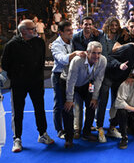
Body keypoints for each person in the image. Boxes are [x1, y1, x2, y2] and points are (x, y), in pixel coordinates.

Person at [2, 20, 54, 153]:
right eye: (32, 29)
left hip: (36, 82)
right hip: (18, 84)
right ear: (23, 31)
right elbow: (5, 64)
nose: (35, 31)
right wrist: (18, 74)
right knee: (17, 112)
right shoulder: (11, 45)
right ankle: (17, 138)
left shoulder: (40, 42)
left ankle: (43, 134)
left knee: (40, 109)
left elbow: (41, 60)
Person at [60, 41, 107, 148]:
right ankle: (69, 138)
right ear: (87, 52)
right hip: (68, 82)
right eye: (94, 53)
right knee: (68, 109)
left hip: (86, 84)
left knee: (92, 105)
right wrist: (69, 99)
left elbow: (99, 80)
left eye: (99, 53)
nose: (97, 56)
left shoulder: (103, 60)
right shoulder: (77, 61)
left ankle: (86, 133)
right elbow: (71, 81)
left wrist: (95, 98)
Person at [51, 21, 86, 139]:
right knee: (59, 103)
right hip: (58, 75)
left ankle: (69, 128)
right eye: (68, 30)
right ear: (60, 32)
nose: (71, 32)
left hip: (71, 75)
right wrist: (75, 53)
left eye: (72, 29)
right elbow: (62, 59)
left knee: (70, 102)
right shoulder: (56, 44)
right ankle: (59, 130)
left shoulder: (72, 40)